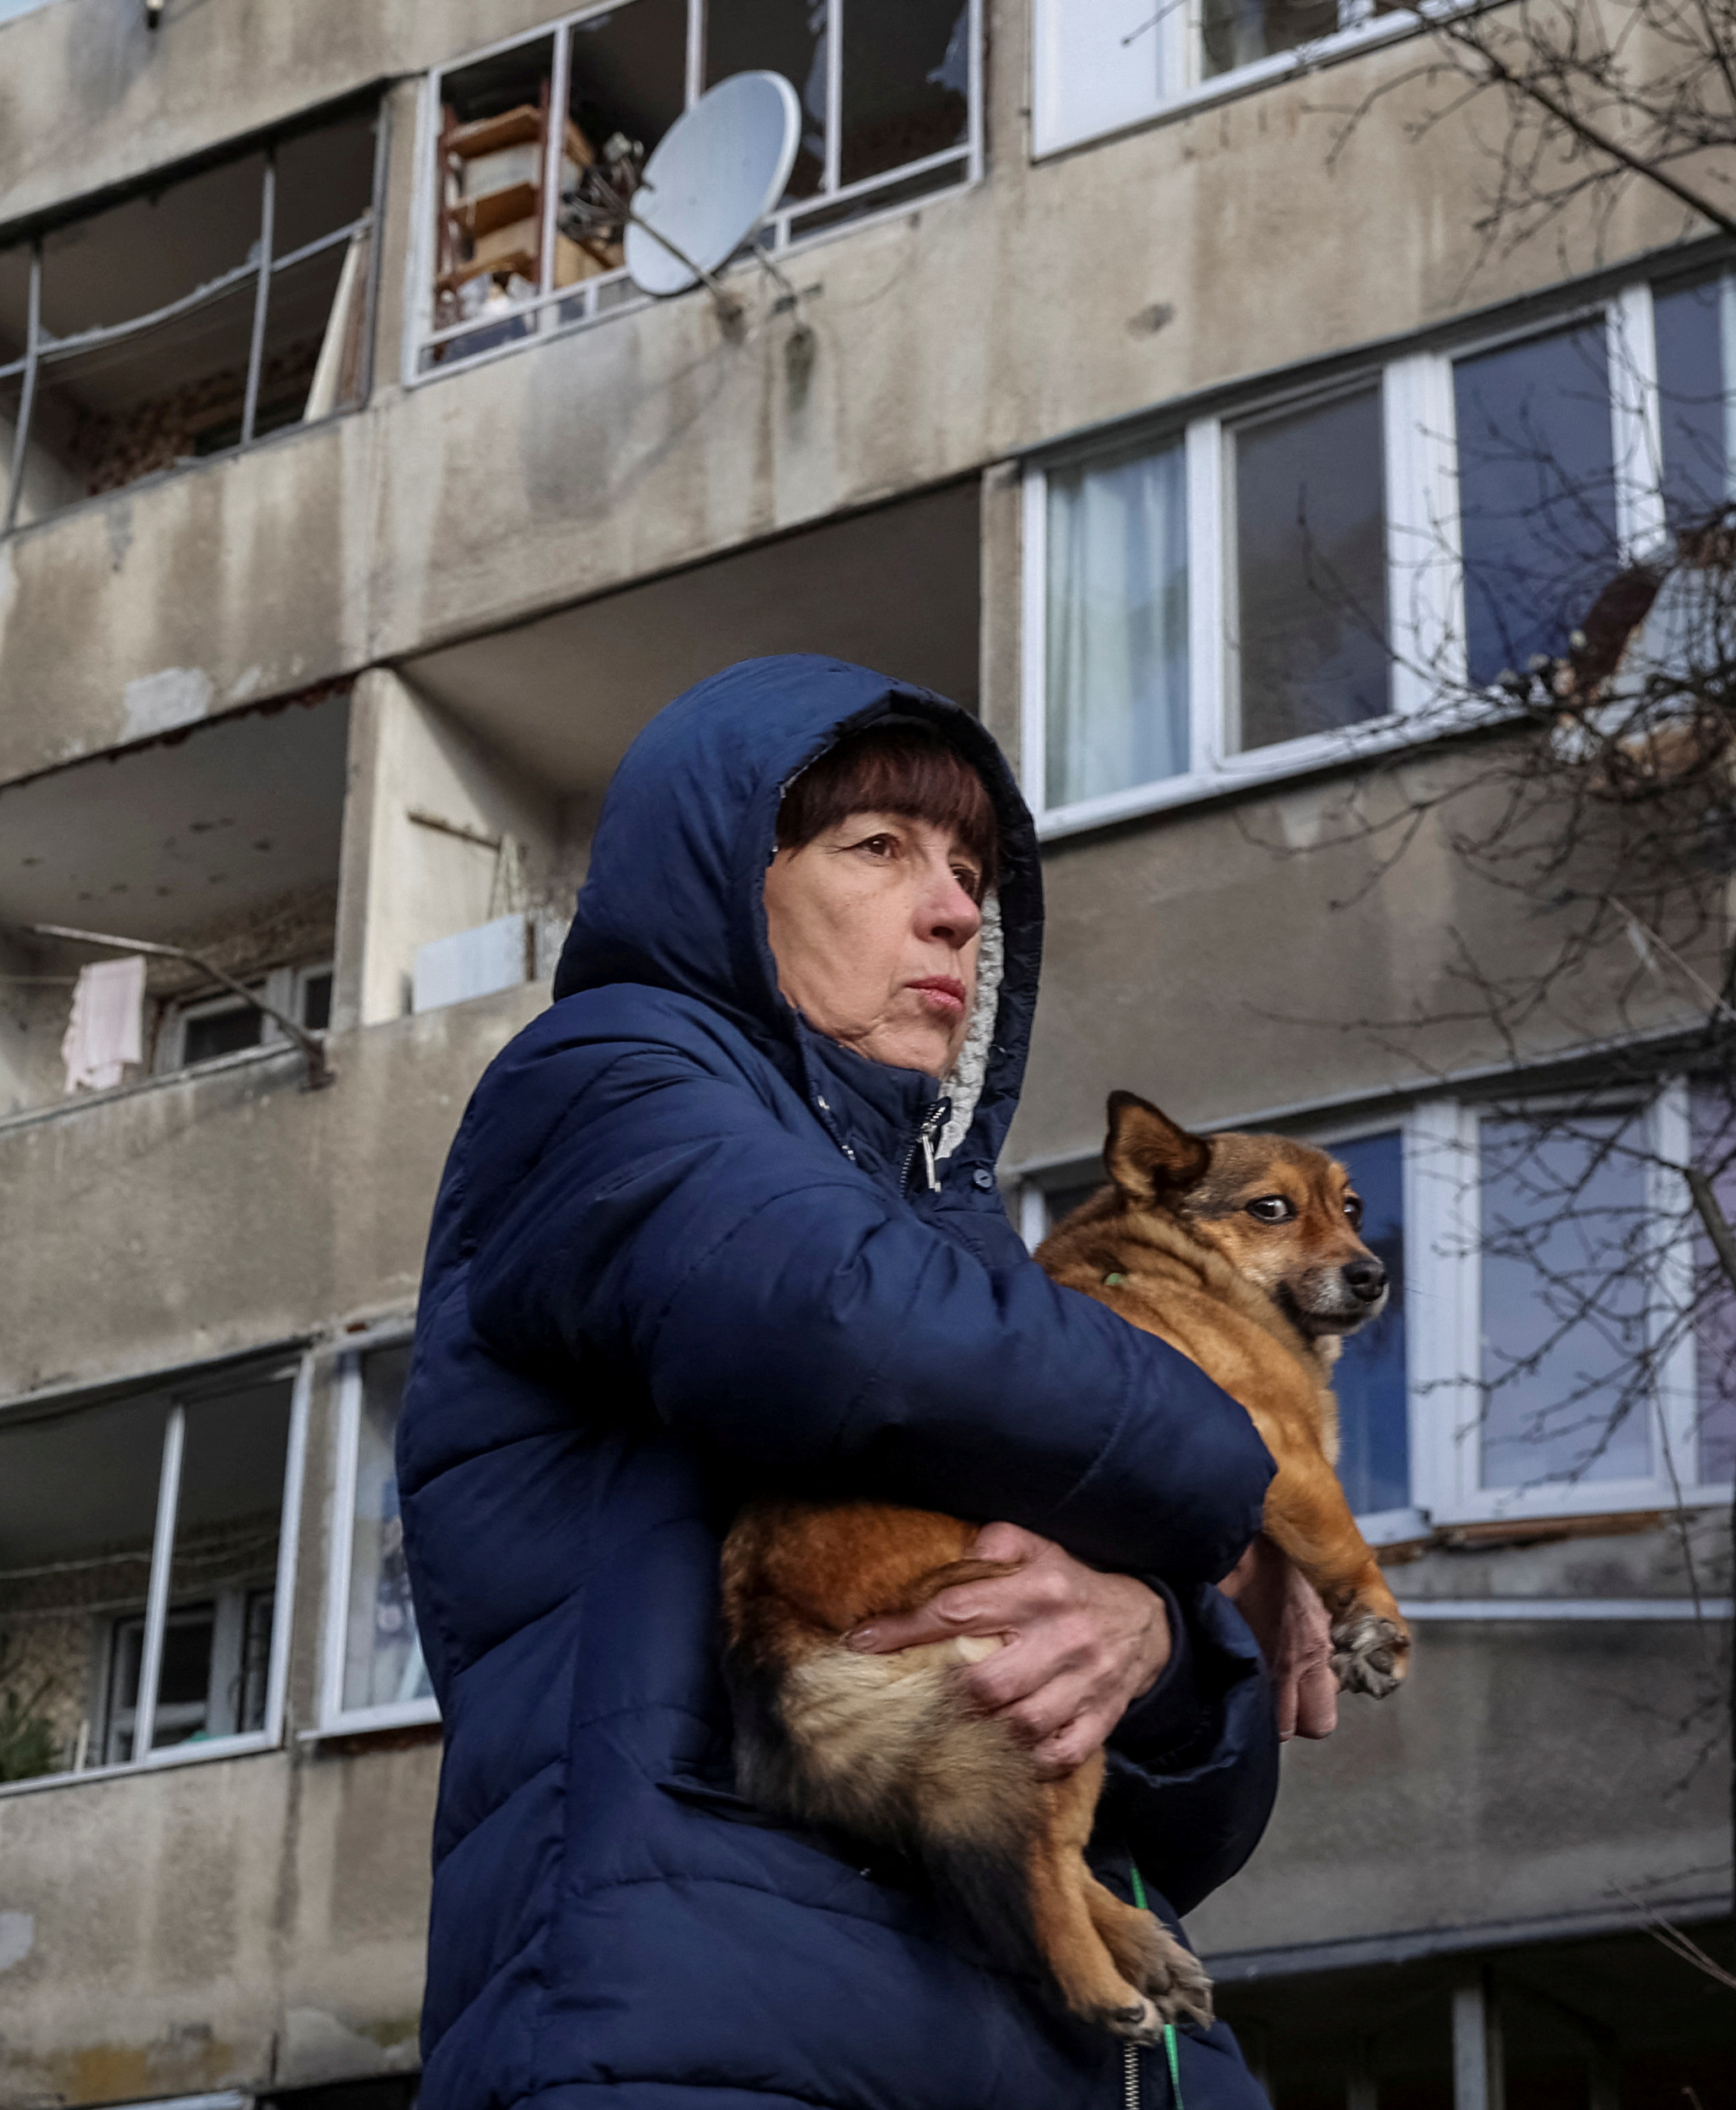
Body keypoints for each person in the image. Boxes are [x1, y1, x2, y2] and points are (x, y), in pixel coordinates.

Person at [399, 655, 1315, 2110]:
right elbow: (852, 1331)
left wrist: (1149, 1640)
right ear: (727, 884)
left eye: (968, 866)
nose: (954, 906)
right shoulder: (605, 1086)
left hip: (1067, 2054)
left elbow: (1195, 1825)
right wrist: (1238, 1473)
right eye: (878, 849)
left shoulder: (963, 1239)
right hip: (715, 2030)